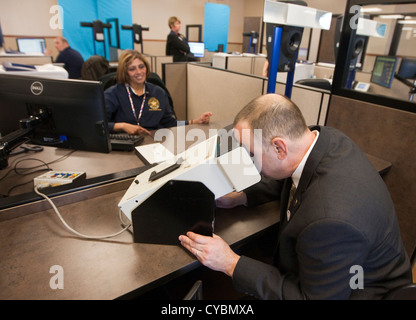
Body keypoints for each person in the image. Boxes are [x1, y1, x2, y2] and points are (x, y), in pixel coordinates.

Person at [179, 94, 412, 300]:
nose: (248, 161)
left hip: (359, 289)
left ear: (279, 147)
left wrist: (230, 262)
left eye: (251, 153)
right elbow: (293, 175)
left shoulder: (330, 221)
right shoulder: (321, 139)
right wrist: (241, 197)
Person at [104, 50, 211, 135]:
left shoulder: (158, 92)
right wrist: (122, 126)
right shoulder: (113, 94)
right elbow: (99, 125)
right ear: (125, 73)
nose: (139, 72)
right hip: (124, 145)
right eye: (132, 69)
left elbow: (170, 123)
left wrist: (195, 121)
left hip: (153, 143)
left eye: (141, 67)